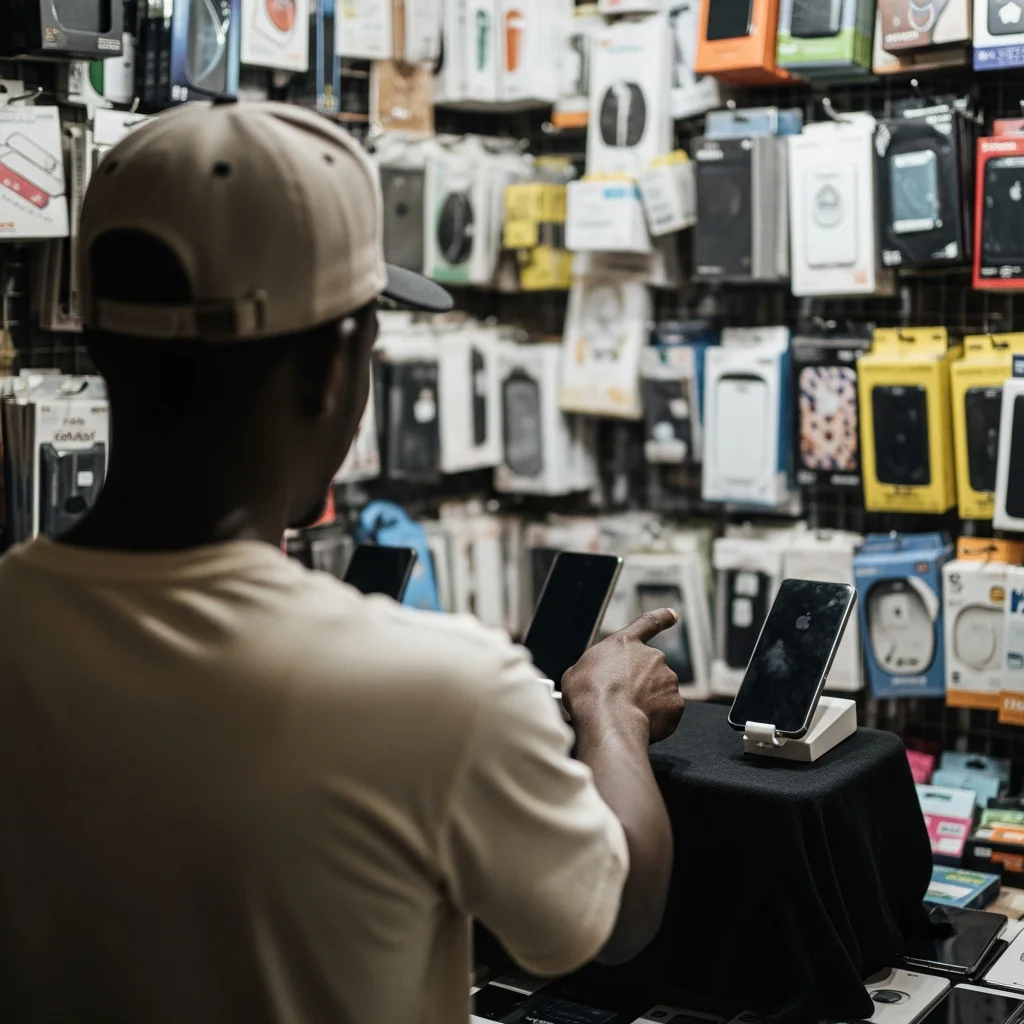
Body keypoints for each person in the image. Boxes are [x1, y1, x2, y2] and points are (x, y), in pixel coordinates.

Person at [0, 101, 684, 1024]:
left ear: (97, 343)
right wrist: (608, 711)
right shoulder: (435, 689)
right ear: (333, 370)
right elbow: (620, 913)